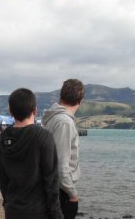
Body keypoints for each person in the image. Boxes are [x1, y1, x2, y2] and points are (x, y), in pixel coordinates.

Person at [0, 88, 63, 219]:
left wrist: (8, 202)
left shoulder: (1, 139)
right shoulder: (43, 137)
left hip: (13, 210)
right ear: (35, 111)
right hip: (39, 212)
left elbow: (2, 178)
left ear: (11, 111)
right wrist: (57, 215)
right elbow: (51, 181)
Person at [42, 79, 85, 219]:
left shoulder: (55, 117)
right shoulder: (64, 122)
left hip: (54, 188)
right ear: (80, 100)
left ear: (61, 95)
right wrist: (72, 193)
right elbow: (61, 166)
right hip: (62, 192)